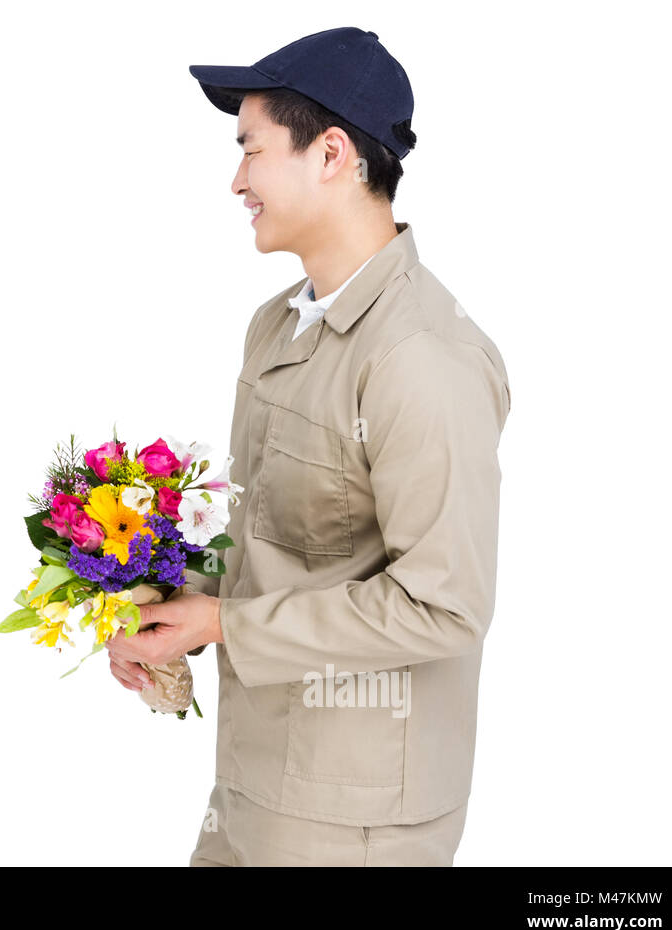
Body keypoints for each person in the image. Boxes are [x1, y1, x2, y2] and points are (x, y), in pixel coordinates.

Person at [105, 28, 512, 866]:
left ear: (331, 154)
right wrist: (163, 604)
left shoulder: (421, 357)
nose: (237, 180)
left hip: (354, 818)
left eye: (251, 148)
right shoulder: (278, 323)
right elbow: (279, 545)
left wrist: (222, 623)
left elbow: (444, 604)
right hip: (254, 780)